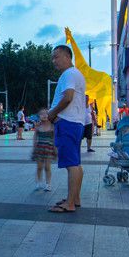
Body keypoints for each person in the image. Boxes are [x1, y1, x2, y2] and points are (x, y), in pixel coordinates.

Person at [46, 45, 86, 213]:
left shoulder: (69, 74)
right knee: (75, 163)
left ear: (67, 57)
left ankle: (69, 204)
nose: (53, 61)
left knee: (71, 164)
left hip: (68, 123)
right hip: (74, 123)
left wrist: (52, 113)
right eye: (52, 58)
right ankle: (75, 199)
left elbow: (68, 97)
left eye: (56, 57)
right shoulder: (75, 74)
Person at [32, 108, 56, 191]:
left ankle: (48, 184)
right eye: (42, 114)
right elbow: (35, 136)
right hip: (39, 149)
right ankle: (38, 183)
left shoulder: (52, 126)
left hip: (49, 149)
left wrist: (55, 148)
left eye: (46, 113)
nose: (44, 115)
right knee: (39, 167)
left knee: (47, 167)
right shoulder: (38, 126)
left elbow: (54, 138)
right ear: (39, 116)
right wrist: (34, 147)